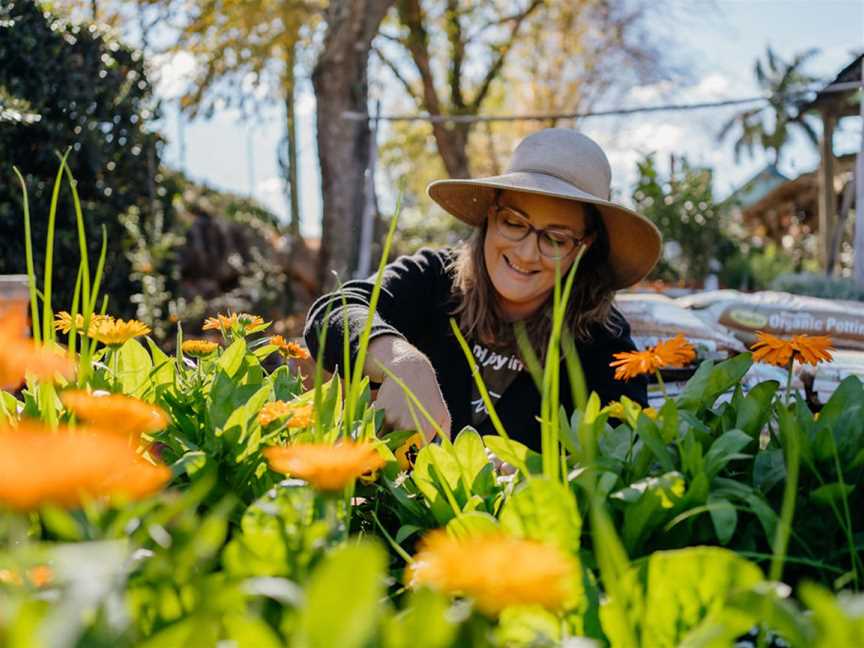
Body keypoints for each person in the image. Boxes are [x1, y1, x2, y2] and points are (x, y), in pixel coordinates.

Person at [304, 128, 661, 451]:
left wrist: (538, 474)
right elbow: (333, 311)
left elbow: (624, 447)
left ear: (584, 245)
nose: (525, 252)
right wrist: (402, 362)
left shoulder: (603, 338)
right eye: (513, 222)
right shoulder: (434, 277)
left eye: (555, 238)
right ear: (491, 215)